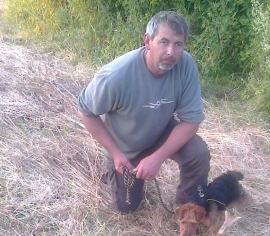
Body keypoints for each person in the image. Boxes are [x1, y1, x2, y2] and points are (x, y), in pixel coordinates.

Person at [77, 11, 210, 212]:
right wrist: (116, 153)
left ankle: (188, 209)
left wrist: (157, 157)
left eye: (178, 44)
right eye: (164, 42)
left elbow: (191, 121)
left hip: (160, 131)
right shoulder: (115, 76)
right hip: (126, 147)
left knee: (197, 153)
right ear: (148, 41)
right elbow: (85, 111)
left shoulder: (185, 65)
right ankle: (111, 172)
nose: (171, 52)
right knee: (127, 207)